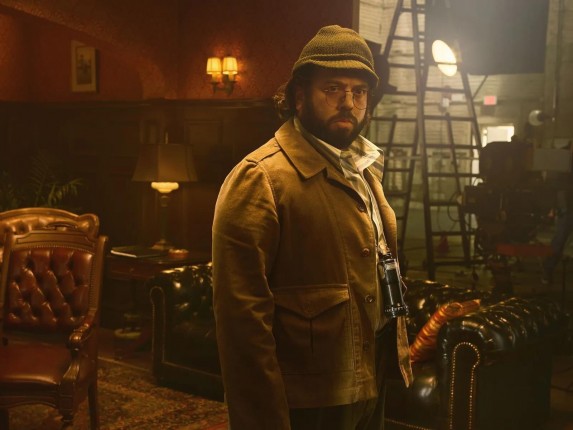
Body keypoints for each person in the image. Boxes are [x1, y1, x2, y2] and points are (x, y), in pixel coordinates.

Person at [212, 25, 413, 430]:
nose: (348, 102)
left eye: (359, 92)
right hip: (309, 396)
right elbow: (242, 323)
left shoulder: (364, 167)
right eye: (333, 88)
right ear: (299, 96)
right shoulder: (261, 177)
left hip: (369, 373)